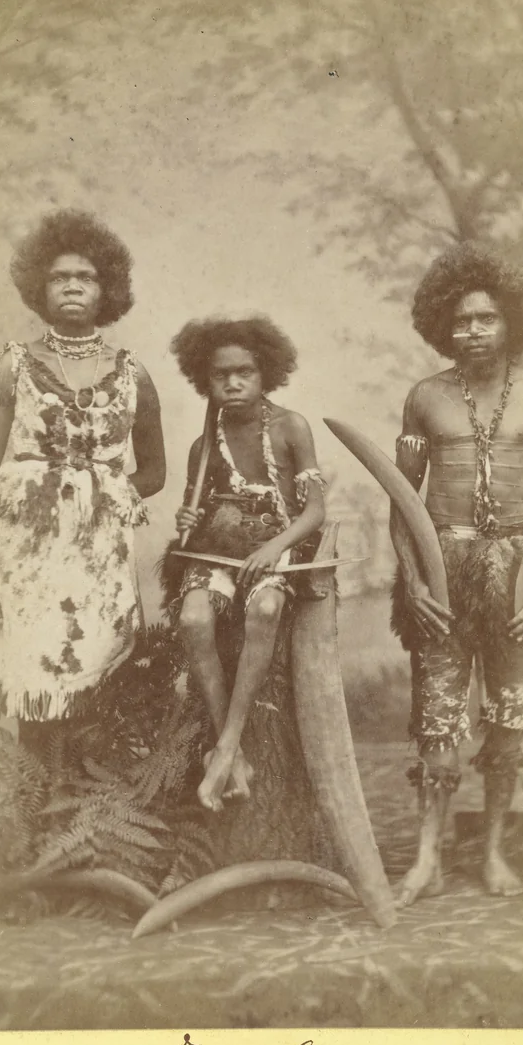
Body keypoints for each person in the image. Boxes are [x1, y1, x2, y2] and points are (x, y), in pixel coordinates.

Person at [391, 241, 523, 905]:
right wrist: (414, 582)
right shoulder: (424, 398)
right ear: (443, 323)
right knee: (438, 725)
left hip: (520, 583)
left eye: (487, 319)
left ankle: (496, 851)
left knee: (508, 726)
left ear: (512, 323)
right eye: (461, 320)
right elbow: (402, 499)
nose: (472, 331)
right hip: (444, 581)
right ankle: (426, 858)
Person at [0, 209, 166, 756]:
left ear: (108, 289)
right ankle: (42, 825)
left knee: (101, 688)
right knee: (38, 690)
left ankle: (93, 823)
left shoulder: (132, 374)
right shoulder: (15, 368)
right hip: (26, 556)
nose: (72, 286)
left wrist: (102, 494)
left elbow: (155, 471)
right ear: (39, 288)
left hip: (101, 558)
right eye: (59, 277)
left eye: (87, 277)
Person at [168, 317, 325, 813]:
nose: (233, 383)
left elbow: (316, 511)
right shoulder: (204, 444)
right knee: (194, 619)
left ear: (265, 374)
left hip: (274, 544)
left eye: (245, 372)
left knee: (263, 612)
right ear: (205, 380)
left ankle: (228, 746)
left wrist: (275, 547)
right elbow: (193, 525)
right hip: (217, 547)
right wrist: (187, 517)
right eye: (220, 376)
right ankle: (230, 752)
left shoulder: (290, 427)